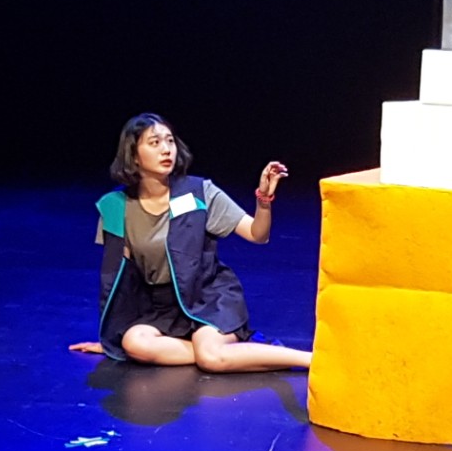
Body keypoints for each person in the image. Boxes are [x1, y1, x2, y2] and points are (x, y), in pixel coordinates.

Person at [69, 112, 312, 372]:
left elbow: (257, 234)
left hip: (208, 296)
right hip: (162, 307)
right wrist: (110, 340)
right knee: (133, 343)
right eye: (155, 143)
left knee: (211, 359)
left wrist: (263, 200)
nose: (166, 150)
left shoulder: (199, 192)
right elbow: (119, 280)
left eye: (169, 141)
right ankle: (234, 353)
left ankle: (312, 360)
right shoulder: (116, 207)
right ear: (133, 155)